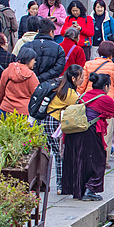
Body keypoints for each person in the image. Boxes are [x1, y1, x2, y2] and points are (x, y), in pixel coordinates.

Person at [63, 72, 114, 201]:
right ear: (107, 86)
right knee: (97, 161)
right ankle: (90, 189)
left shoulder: (84, 95)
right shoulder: (105, 98)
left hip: (74, 132)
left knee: (79, 161)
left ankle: (78, 190)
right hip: (89, 132)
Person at [44, 65, 83, 193]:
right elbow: (81, 105)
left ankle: (43, 183)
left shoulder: (60, 84)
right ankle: (61, 185)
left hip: (46, 120)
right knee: (60, 154)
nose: (83, 80)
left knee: (48, 153)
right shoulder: (69, 93)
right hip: (55, 123)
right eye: (81, 77)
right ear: (73, 78)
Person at [0, 47, 37, 117]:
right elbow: (36, 94)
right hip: (23, 111)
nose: (34, 62)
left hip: (6, 109)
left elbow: (0, 92)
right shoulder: (31, 75)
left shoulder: (7, 71)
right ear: (29, 60)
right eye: (33, 60)